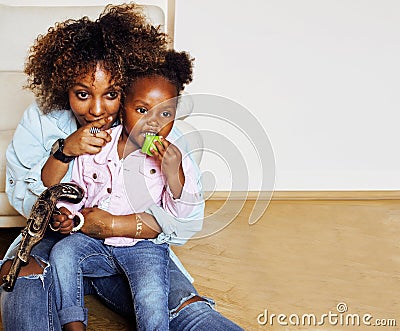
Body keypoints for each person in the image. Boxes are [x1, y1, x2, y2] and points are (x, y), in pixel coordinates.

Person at [0, 3, 243, 331]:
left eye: (112, 94)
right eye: (82, 94)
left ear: (129, 89)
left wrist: (116, 225)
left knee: (182, 308)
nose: (97, 109)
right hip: (58, 240)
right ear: (65, 88)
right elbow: (22, 190)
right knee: (20, 281)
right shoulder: (42, 119)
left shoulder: (156, 130)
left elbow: (188, 219)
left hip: (135, 244)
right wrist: (63, 200)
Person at [50, 50, 201, 331]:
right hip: (92, 241)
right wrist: (67, 213)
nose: (153, 122)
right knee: (62, 253)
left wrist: (174, 174)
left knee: (152, 295)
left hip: (143, 247)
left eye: (165, 113)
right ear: (123, 107)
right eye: (142, 110)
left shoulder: (174, 159)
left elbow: (180, 213)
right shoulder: (97, 146)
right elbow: (77, 190)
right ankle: (73, 325)